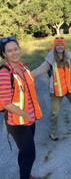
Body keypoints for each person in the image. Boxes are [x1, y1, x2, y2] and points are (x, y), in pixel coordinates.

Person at [32, 37, 71, 141]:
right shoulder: (50, 58)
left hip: (70, 88)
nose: (60, 46)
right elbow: (41, 69)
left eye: (62, 45)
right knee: (54, 113)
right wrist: (28, 75)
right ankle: (53, 133)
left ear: (64, 46)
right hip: (57, 91)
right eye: (58, 45)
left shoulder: (69, 55)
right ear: (55, 46)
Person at [0, 36, 42, 179]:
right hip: (17, 122)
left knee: (24, 152)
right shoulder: (4, 73)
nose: (14, 53)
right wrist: (25, 114)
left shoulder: (24, 67)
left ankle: (25, 174)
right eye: (9, 51)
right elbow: (5, 103)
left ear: (20, 49)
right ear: (4, 54)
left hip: (30, 118)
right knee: (30, 155)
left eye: (16, 49)